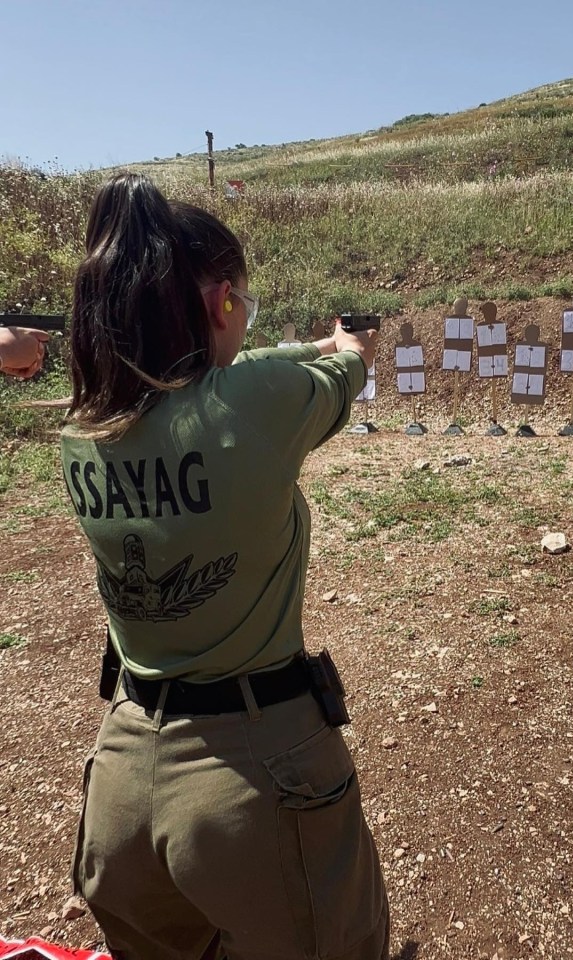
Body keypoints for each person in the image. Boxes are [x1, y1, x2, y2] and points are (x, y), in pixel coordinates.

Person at [62, 173, 388, 960]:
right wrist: (343, 345)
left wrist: (275, 339)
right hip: (256, 772)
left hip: (122, 777)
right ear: (219, 305)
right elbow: (342, 373)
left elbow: (224, 379)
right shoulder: (261, 399)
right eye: (240, 299)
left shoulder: (82, 428)